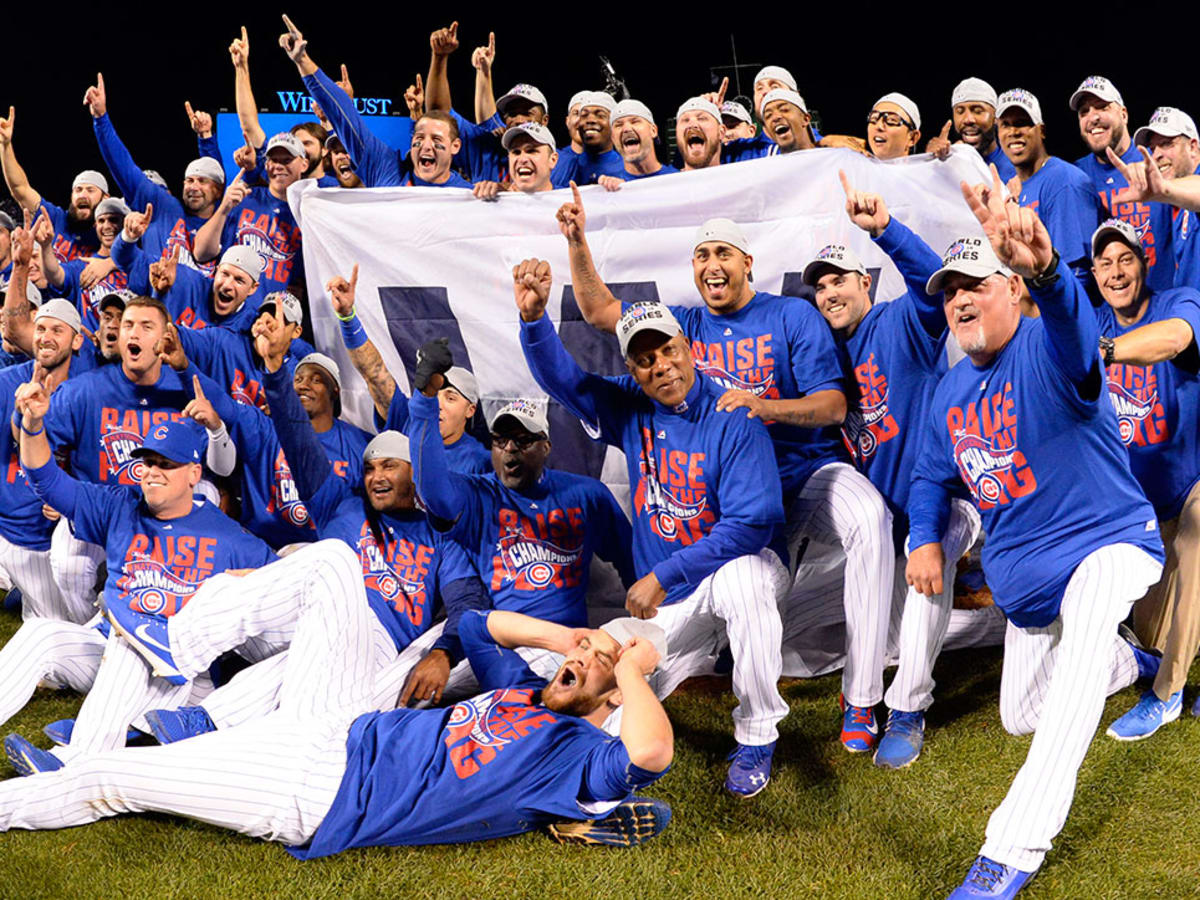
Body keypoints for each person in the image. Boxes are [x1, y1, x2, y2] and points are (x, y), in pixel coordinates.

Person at [0, 543, 673, 855]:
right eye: (586, 652)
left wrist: (631, 664)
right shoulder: (524, 689)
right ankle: (179, 644)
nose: (582, 660)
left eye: (597, 665)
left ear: (614, 695)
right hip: (333, 726)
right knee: (331, 563)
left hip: (319, 794)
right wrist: (575, 637)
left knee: (114, 781)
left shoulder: (576, 755)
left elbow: (650, 751)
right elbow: (474, 626)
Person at [557, 189, 894, 758]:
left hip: (801, 471)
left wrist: (766, 407)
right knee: (729, 598)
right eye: (702, 255)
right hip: (725, 496)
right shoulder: (680, 325)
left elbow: (835, 407)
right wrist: (576, 242)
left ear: (747, 263)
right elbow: (598, 312)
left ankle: (862, 696)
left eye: (724, 253)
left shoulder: (790, 315)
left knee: (869, 515)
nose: (712, 265)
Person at [910, 169, 1164, 896]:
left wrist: (1051, 274)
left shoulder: (1046, 348)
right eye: (949, 292)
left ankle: (1010, 851)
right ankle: (1130, 666)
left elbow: (1079, 337)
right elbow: (930, 475)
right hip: (1029, 586)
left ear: (1011, 292)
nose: (958, 298)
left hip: (1108, 542)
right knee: (1023, 714)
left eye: (975, 285)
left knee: (1086, 632)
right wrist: (924, 536)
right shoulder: (950, 392)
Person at [517, 273, 790, 798]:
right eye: (644, 360)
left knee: (744, 584)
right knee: (612, 676)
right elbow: (567, 384)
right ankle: (565, 767)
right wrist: (533, 322)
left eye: (667, 350)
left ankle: (757, 735)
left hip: (731, 571)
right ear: (633, 371)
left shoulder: (733, 413)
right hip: (671, 605)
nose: (660, 365)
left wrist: (664, 574)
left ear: (688, 348)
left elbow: (753, 524)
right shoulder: (633, 404)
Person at [801, 172, 990, 769]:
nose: (829, 292)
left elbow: (930, 281)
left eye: (839, 281)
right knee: (867, 625)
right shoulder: (821, 351)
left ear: (866, 283)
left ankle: (908, 709)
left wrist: (883, 228)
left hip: (944, 500)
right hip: (881, 525)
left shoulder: (901, 321)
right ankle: (1000, 627)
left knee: (925, 590)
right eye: (819, 286)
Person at [4, 408, 275, 772]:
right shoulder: (120, 506)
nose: (152, 472)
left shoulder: (229, 538)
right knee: (42, 633)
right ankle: (125, 730)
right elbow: (48, 481)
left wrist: (255, 579)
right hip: (107, 655)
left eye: (166, 464)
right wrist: (33, 428)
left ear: (194, 473)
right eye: (148, 462)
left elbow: (291, 585)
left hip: (182, 677)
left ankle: (75, 761)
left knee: (131, 640)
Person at [407, 338, 635, 634]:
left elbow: (631, 561)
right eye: (501, 440)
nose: (510, 449)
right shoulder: (478, 494)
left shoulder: (587, 495)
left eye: (524, 439)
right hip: (500, 642)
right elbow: (433, 491)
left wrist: (644, 623)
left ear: (546, 447)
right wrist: (424, 399)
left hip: (568, 642)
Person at [1087, 219, 1200, 737]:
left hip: (1191, 479)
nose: (1116, 271)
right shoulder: (1086, 323)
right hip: (1138, 503)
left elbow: (1175, 341)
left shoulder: (1181, 300)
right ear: (1093, 272)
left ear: (1144, 262)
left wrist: (1105, 351)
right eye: (1105, 262)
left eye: (1125, 259)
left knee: (1197, 545)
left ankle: (1168, 694)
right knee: (1147, 635)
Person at [328, 265, 491, 474]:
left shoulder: (481, 462)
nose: (438, 404)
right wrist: (347, 318)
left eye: (450, 398)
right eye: (434, 393)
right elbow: (374, 373)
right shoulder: (407, 419)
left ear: (470, 410)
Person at [83, 72, 223, 277]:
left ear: (218, 190)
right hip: (158, 305)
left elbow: (215, 172)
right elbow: (125, 169)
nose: (193, 187)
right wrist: (101, 119)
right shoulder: (164, 208)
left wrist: (206, 139)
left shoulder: (224, 220)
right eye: (189, 181)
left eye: (201, 181)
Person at [1070, 76, 1175, 292]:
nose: (1093, 117)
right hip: (1110, 312)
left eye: (1102, 107)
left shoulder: (1154, 162)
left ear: (1124, 114)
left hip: (1164, 302)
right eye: (1084, 112)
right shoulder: (1074, 176)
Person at [996, 88, 1102, 284]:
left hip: (1056, 311)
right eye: (1005, 125)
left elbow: (1078, 275)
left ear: (1041, 131)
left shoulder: (1064, 181)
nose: (1013, 132)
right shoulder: (1016, 186)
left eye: (1022, 123)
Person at [193, 133, 306, 296]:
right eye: (274, 160)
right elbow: (201, 253)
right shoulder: (244, 198)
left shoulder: (308, 213)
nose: (279, 166)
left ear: (304, 164)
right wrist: (224, 207)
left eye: (286, 160)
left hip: (273, 314)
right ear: (266, 165)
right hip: (230, 305)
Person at [1109, 107, 1200, 291]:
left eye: (1167, 144)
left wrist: (1164, 190)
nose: (1157, 154)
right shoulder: (1177, 205)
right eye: (1153, 148)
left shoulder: (1183, 190)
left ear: (1192, 147)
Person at [0, 107, 105, 262]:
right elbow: (20, 190)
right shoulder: (55, 219)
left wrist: (109, 264)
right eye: (78, 190)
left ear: (105, 198)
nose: (82, 195)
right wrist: (6, 145)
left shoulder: (112, 231)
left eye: (90, 190)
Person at [36, 199, 133, 331]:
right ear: (95, 226)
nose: (107, 226)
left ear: (126, 223)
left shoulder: (138, 264)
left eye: (114, 220)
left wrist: (112, 263)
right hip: (89, 349)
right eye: (101, 221)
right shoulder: (83, 265)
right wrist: (46, 246)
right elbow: (55, 276)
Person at [925, 77, 1016, 184]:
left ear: (996, 117)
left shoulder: (1017, 164)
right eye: (960, 112)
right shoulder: (946, 162)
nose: (968, 120)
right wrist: (929, 164)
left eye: (977, 111)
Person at [597, 101, 678, 189]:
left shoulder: (678, 181)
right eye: (619, 125)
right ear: (612, 138)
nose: (626, 129)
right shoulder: (608, 188)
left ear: (653, 131)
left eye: (635, 122)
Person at [502, 124, 559, 193]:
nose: (522, 159)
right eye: (516, 152)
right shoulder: (494, 200)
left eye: (531, 151)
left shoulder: (569, 199)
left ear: (553, 160)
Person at [867, 93, 922, 160]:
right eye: (874, 118)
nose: (879, 126)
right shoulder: (856, 167)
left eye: (891, 120)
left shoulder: (927, 170)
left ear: (912, 138)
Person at [675, 98, 724, 171]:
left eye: (702, 118)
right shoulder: (663, 181)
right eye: (685, 120)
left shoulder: (739, 178)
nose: (692, 125)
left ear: (721, 132)